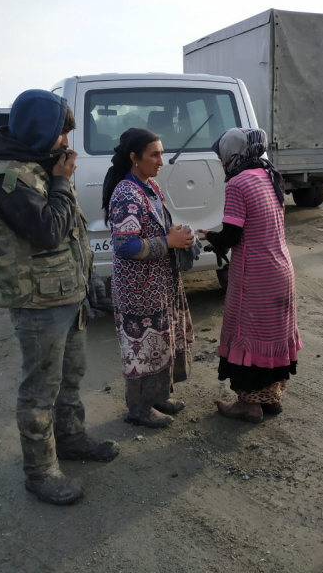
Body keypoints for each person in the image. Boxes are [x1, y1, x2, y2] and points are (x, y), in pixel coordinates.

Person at [0, 89, 119, 506]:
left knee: (71, 376)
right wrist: (62, 182)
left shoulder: (41, 170)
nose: (67, 143)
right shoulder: (10, 179)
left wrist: (90, 280)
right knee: (40, 389)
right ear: (42, 131)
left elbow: (74, 232)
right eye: (62, 133)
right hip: (38, 303)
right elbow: (48, 230)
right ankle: (40, 471)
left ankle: (72, 438)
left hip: (66, 294)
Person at [198, 128, 302, 424]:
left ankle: (248, 405)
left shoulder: (238, 183)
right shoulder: (270, 175)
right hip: (281, 268)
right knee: (272, 336)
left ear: (232, 154)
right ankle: (271, 398)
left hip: (255, 274)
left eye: (221, 157)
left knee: (248, 337)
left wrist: (210, 239)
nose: (221, 162)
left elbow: (232, 235)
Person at [104, 128, 195, 429]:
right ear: (134, 158)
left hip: (158, 285)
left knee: (160, 342)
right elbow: (126, 245)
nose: (161, 160)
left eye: (161, 153)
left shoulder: (149, 186)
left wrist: (178, 236)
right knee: (141, 348)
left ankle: (157, 397)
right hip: (138, 289)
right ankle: (138, 409)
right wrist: (168, 242)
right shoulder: (127, 194)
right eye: (154, 154)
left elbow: (156, 229)